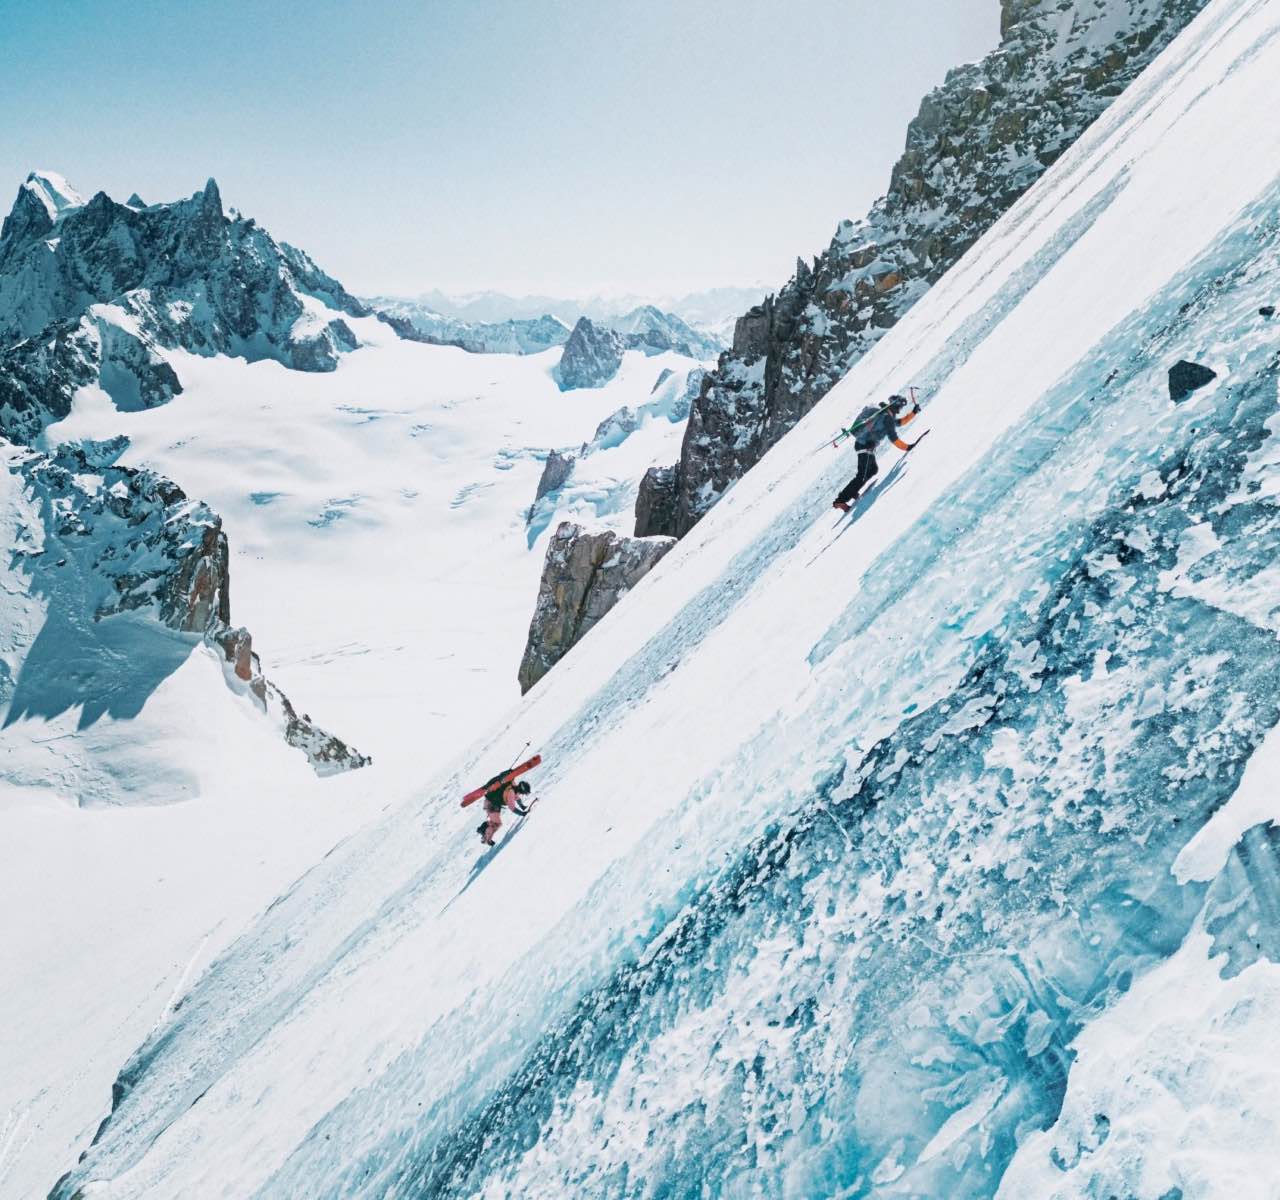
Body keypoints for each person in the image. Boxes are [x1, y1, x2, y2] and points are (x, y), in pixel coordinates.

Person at [832, 394, 924, 511]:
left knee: (872, 470)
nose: (900, 409)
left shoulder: (885, 415)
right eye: (900, 407)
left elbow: (899, 422)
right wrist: (907, 447)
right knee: (862, 475)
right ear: (896, 406)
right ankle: (840, 501)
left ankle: (852, 491)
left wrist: (913, 413)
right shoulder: (886, 418)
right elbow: (893, 438)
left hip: (865, 446)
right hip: (865, 447)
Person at [477, 777, 533, 845]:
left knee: (496, 823)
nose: (522, 794)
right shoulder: (511, 792)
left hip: (492, 803)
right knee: (496, 823)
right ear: (521, 790)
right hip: (492, 804)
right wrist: (522, 813)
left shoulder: (513, 787)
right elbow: (512, 808)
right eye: (523, 793)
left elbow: (517, 798)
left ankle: (484, 831)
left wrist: (522, 806)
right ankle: (485, 835)